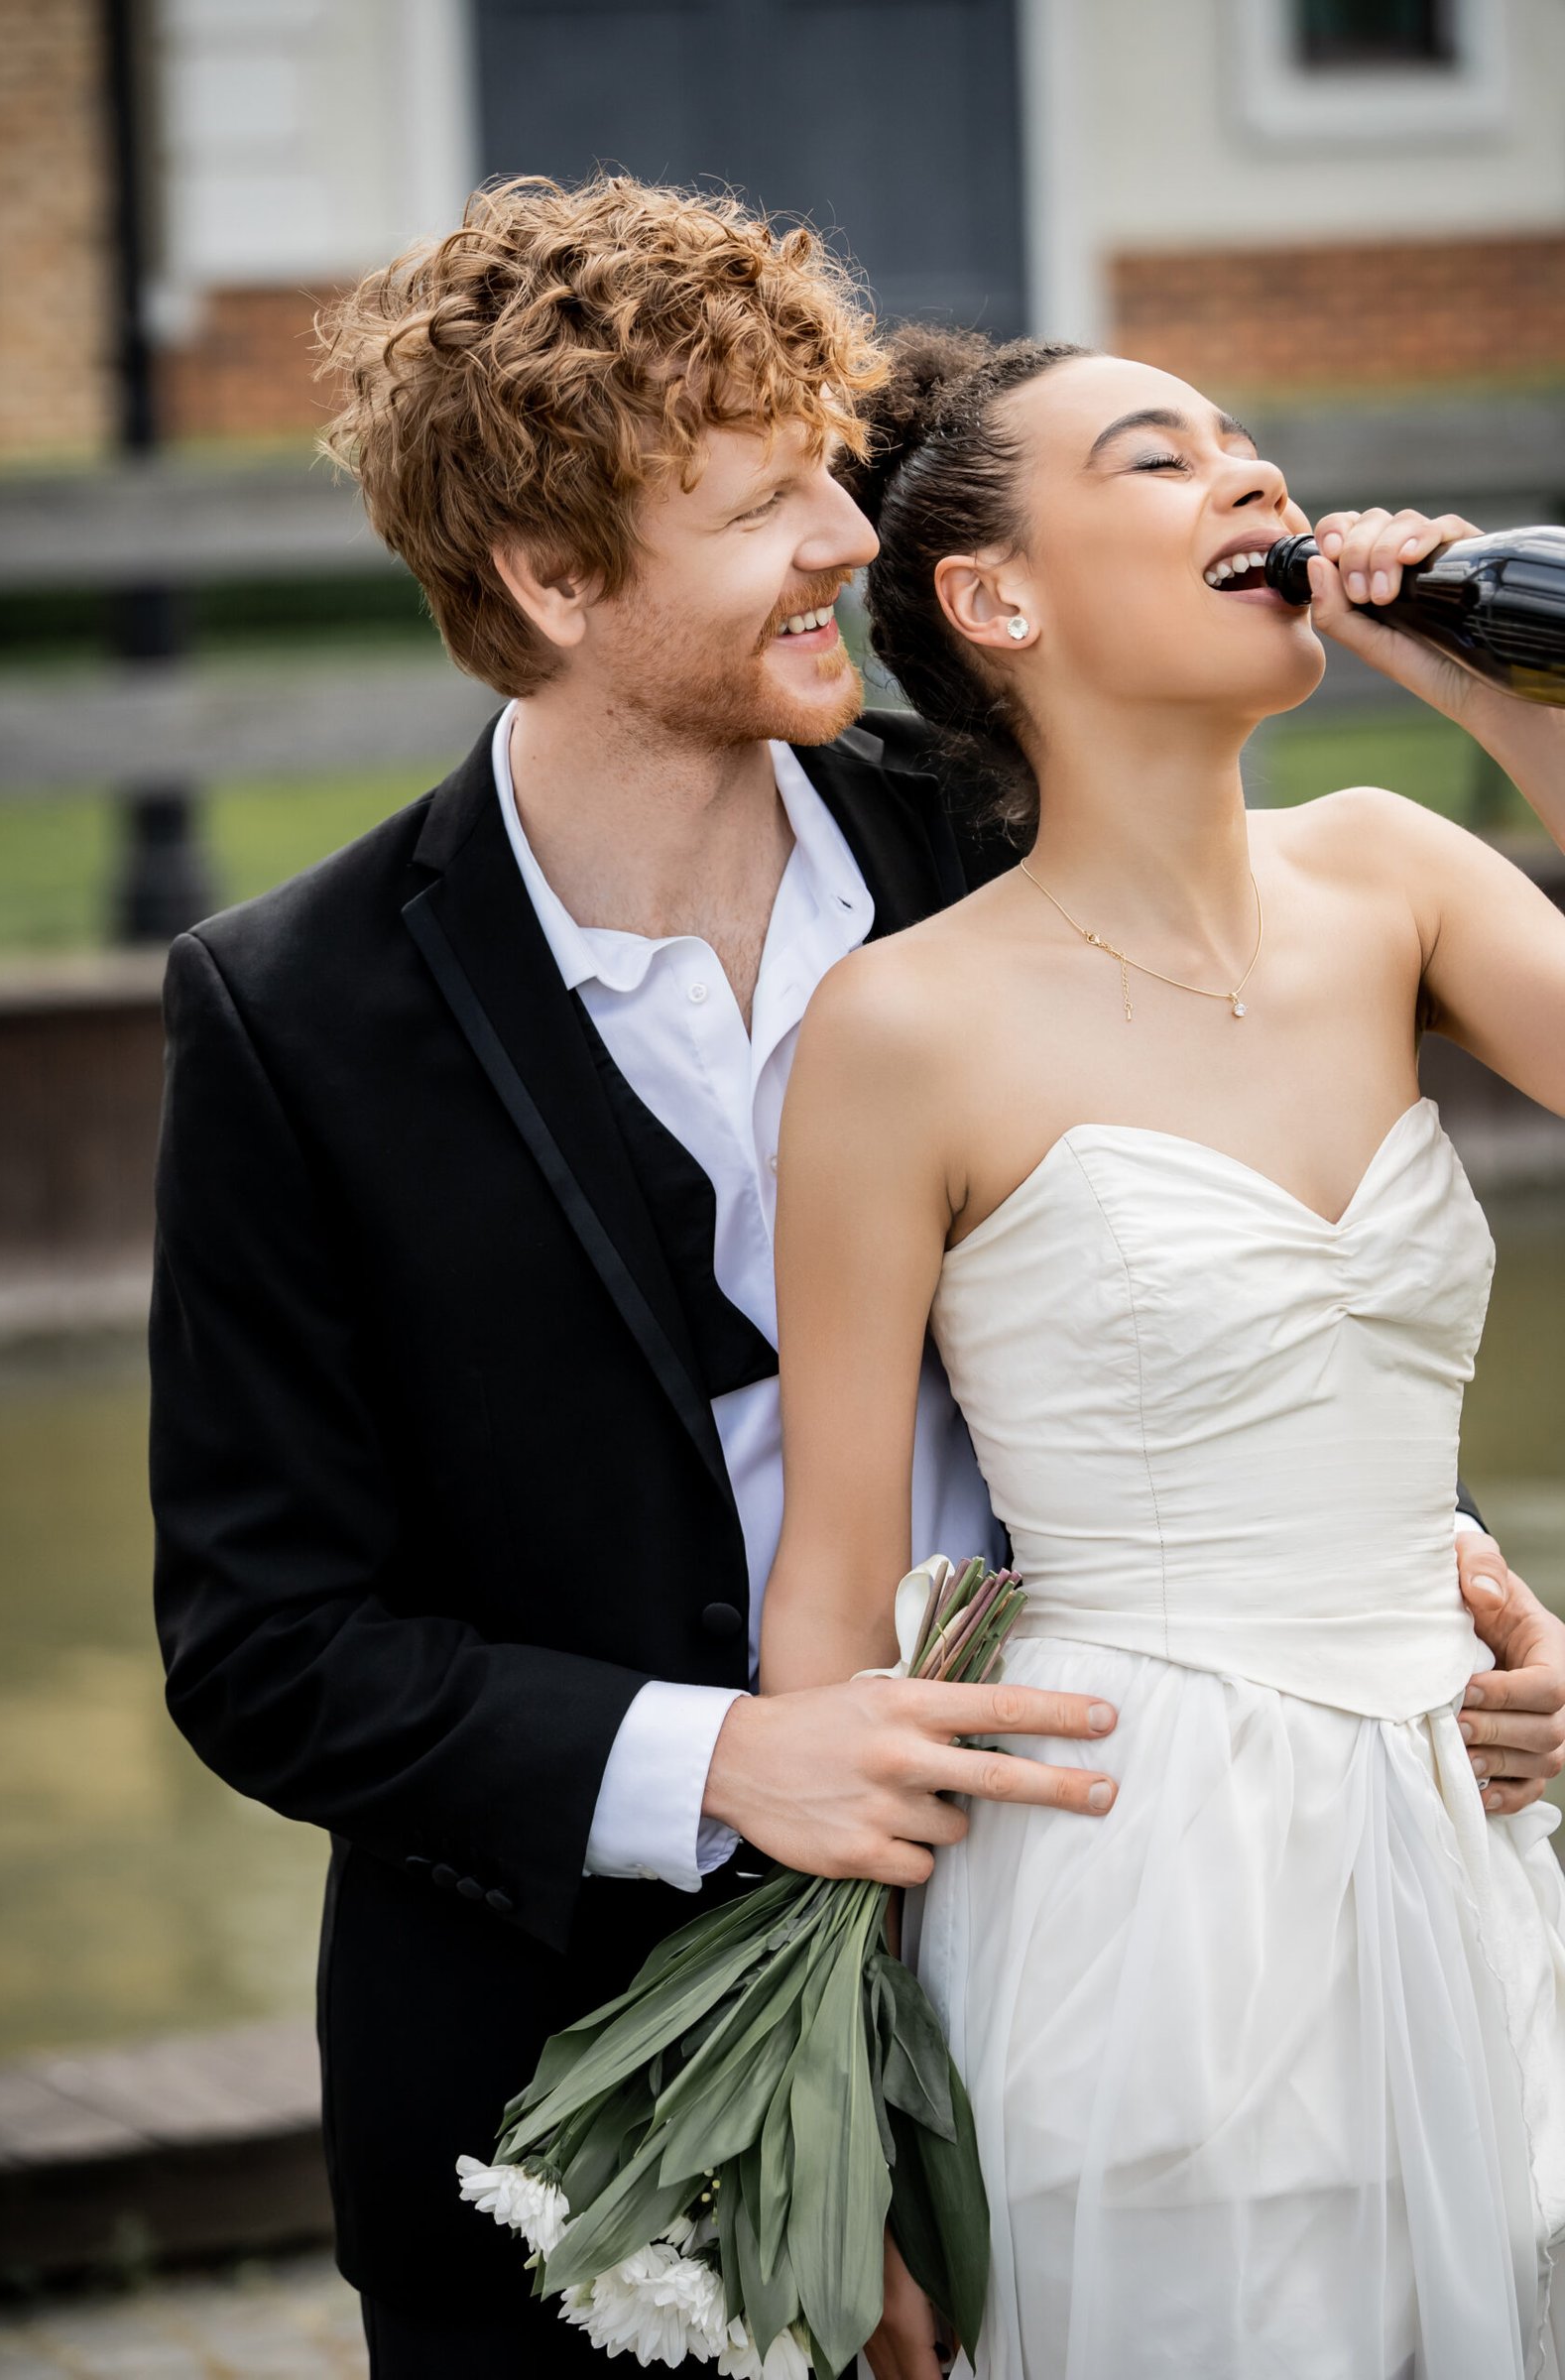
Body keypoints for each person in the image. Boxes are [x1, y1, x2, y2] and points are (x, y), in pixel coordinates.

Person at [147, 178, 1555, 2376]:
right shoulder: (292, 1010)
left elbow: (1208, 1293)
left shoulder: (993, 835)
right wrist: (728, 1761)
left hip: (1111, 1930)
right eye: (757, 500)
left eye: (832, 462)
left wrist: (1423, 1596)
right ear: (547, 577)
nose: (842, 535)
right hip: (567, 2082)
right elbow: (267, 1647)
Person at [761, 327, 1565, 2379]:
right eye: (1155, 457)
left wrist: (1479, 679)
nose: (1245, 479)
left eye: (1245, 448)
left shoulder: (1385, 873)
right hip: (1141, 1879)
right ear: (994, 600)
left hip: (1463, 1837)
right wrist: (826, 2120)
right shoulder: (901, 1027)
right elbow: (832, 1591)